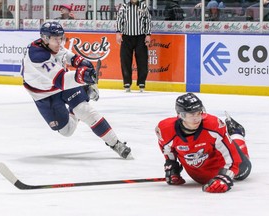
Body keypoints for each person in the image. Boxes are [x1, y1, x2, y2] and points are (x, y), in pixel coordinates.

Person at [20, 21, 132, 159]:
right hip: (44, 95)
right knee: (67, 131)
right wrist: (83, 76)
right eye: (56, 39)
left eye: (61, 38)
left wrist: (81, 62)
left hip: (63, 85)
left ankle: (115, 143)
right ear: (45, 39)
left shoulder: (53, 44)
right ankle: (77, 104)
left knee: (85, 111)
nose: (59, 42)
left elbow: (66, 55)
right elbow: (61, 80)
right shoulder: (37, 56)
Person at [155, 93, 251, 193]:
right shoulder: (165, 129)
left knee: (244, 172)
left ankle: (237, 133)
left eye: (199, 113)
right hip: (198, 176)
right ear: (181, 115)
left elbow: (233, 158)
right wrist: (172, 168)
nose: (197, 118)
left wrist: (224, 177)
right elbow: (168, 151)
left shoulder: (213, 126)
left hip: (225, 167)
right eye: (192, 114)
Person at [116, 0, 152, 93]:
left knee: (142, 60)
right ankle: (127, 83)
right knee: (125, 60)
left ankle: (141, 83)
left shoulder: (143, 6)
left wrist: (148, 34)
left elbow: (147, 20)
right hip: (126, 37)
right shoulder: (124, 7)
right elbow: (119, 19)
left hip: (140, 37)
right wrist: (118, 33)